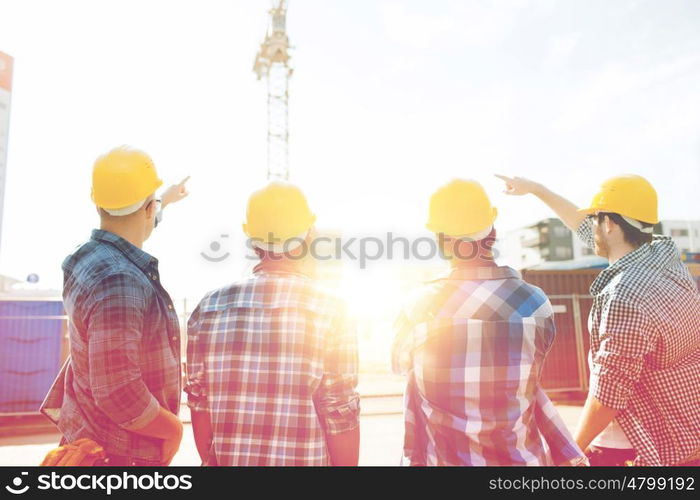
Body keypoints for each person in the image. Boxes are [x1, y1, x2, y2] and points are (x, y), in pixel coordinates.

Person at [496, 173, 700, 466]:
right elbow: (582, 227)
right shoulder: (667, 261)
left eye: (594, 219)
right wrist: (537, 190)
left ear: (609, 224)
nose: (588, 227)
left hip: (631, 446)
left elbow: (609, 394)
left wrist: (571, 452)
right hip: (686, 435)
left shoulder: (625, 295)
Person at [392, 179, 586, 466]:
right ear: (492, 232)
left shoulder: (417, 307)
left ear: (440, 239)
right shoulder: (537, 303)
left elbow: (400, 369)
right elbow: (530, 384)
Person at [185, 181, 360, 466]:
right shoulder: (333, 310)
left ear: (252, 239)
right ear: (309, 235)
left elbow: (200, 406)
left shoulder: (209, 307)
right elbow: (340, 413)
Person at [40, 146, 190, 466]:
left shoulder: (84, 258)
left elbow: (132, 224)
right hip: (120, 457)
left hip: (88, 441)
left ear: (98, 202)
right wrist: (173, 429)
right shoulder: (120, 280)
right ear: (148, 208)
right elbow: (118, 393)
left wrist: (166, 197)